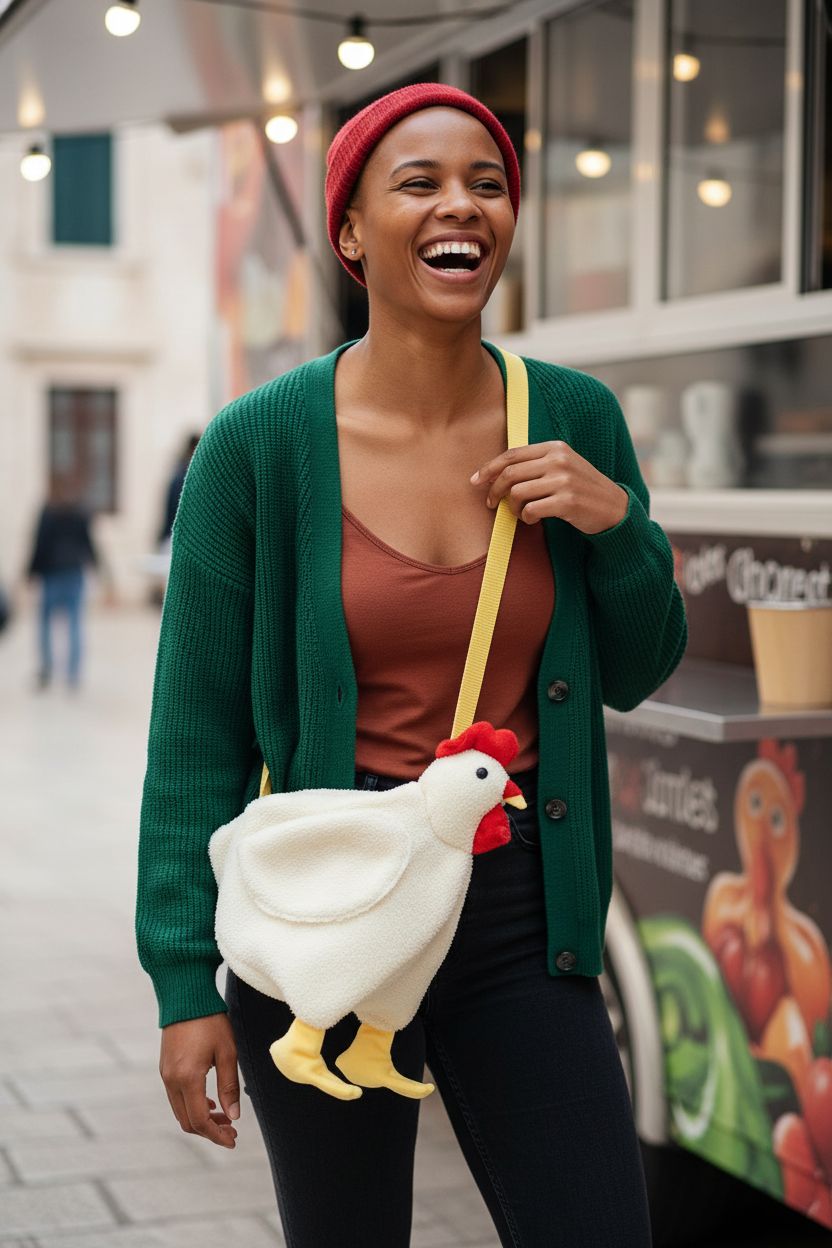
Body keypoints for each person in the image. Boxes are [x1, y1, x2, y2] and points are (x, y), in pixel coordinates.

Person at [136, 83, 687, 1246]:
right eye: (420, 183)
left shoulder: (573, 416)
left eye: (488, 185)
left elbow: (639, 667)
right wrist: (183, 983)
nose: (462, 207)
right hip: (327, 904)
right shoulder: (254, 446)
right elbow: (194, 738)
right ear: (349, 230)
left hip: (520, 908)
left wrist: (616, 527)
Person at [26, 471, 99, 689]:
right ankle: (73, 673)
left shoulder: (49, 511)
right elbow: (89, 543)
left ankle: (47, 668)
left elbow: (40, 543)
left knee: (45, 623)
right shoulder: (79, 511)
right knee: (74, 623)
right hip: (73, 571)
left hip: (52, 572)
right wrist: (97, 567)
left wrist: (31, 570)